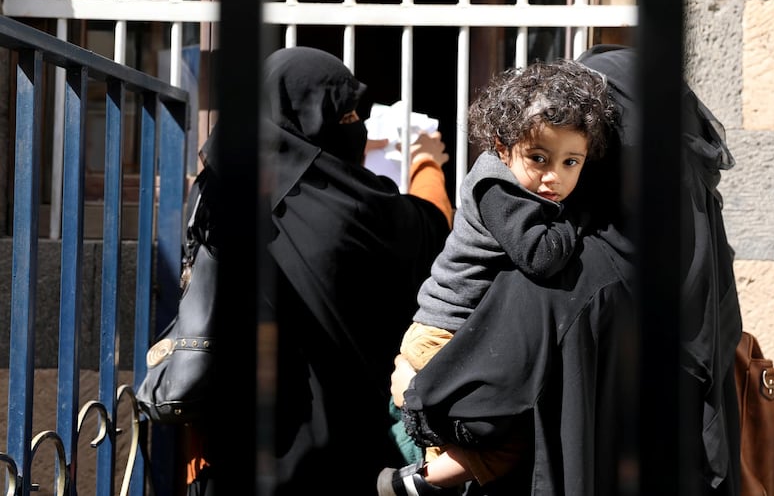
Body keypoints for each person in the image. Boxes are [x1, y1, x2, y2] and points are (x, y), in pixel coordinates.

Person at [381, 45, 743, 496]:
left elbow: (483, 403)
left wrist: (419, 394)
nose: (560, 174)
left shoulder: (573, 270)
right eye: (541, 156)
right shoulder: (698, 261)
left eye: (578, 157)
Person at [382, 58, 617, 491]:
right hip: (444, 334)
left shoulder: (525, 185)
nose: (553, 177)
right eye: (539, 158)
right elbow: (542, 256)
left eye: (571, 163)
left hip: (464, 334)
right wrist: (581, 215)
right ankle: (409, 484)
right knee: (490, 441)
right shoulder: (496, 186)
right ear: (501, 145)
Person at [260, 46, 454, 495]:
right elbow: (428, 226)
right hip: (343, 440)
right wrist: (426, 161)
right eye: (344, 116)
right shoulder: (356, 206)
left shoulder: (218, 189)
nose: (357, 128)